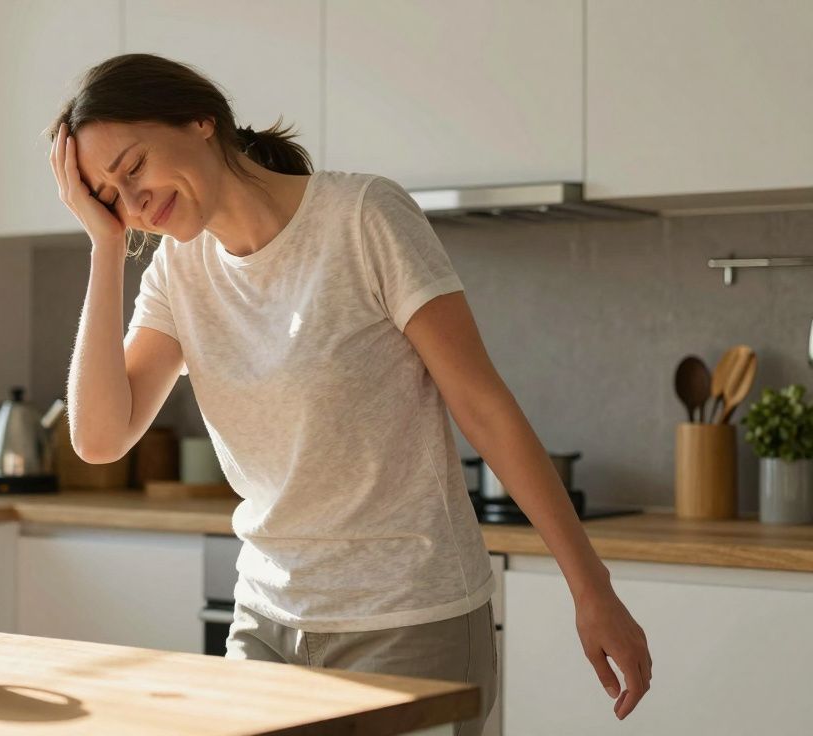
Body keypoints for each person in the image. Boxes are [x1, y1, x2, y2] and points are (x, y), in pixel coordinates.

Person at [45, 53, 652, 734]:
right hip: (267, 622)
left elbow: (483, 406)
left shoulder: (363, 216)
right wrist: (104, 247)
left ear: (199, 120)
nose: (134, 203)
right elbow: (100, 438)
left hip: (409, 619)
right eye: (109, 195)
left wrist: (591, 587)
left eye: (133, 169)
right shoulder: (177, 272)